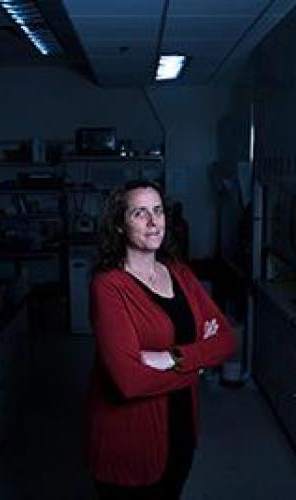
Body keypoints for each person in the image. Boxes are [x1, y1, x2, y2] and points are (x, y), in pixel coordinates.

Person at [85, 180, 236, 500]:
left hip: (181, 429)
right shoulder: (109, 286)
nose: (154, 222)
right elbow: (130, 382)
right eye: (140, 213)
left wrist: (174, 357)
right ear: (119, 226)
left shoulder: (179, 273)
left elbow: (225, 340)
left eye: (158, 211)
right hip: (132, 442)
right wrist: (196, 365)